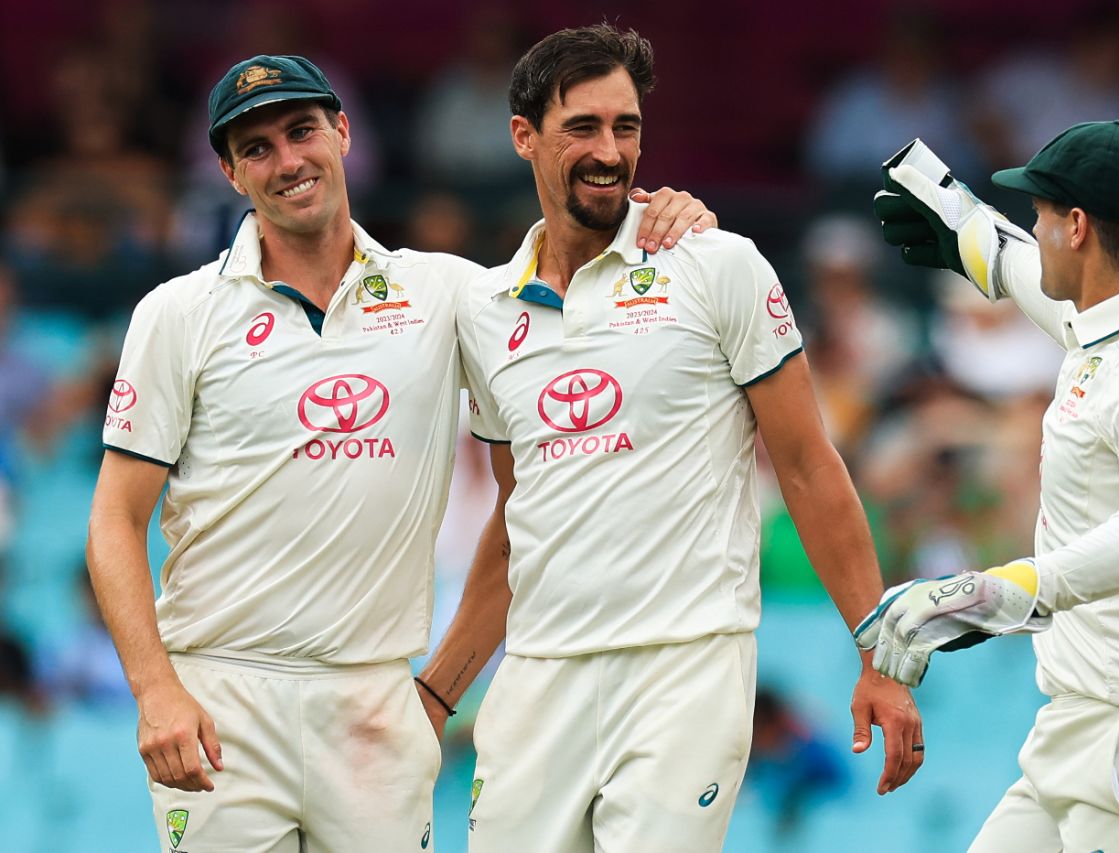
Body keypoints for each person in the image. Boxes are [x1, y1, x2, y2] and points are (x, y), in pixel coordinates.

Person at [84, 53, 712, 853]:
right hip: (222, 698)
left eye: (302, 130)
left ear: (343, 133)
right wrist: (156, 691)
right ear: (228, 172)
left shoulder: (449, 295)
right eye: (257, 148)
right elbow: (113, 521)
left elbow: (533, 499)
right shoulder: (177, 314)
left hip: (378, 704)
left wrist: (675, 222)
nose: (288, 161)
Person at [416, 25, 923, 853]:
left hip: (686, 670)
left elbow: (806, 465)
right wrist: (434, 698)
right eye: (582, 127)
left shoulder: (715, 263)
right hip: (538, 679)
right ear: (523, 137)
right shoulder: (485, 311)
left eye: (627, 127)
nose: (610, 152)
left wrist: (880, 653)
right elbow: (519, 522)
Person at [858, 121, 1119, 850]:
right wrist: (970, 228)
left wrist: (1001, 590)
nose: (1031, 228)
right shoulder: (1113, 328)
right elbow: (1040, 289)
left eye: (1039, 214)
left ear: (1076, 227)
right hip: (1084, 736)